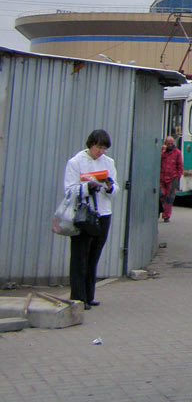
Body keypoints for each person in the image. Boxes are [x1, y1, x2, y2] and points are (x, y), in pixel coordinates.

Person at [63, 129, 119, 309]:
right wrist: (88, 187)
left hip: (102, 213)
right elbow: (69, 190)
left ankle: (89, 294)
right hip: (83, 214)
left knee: (94, 254)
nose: (101, 152)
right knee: (80, 255)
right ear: (91, 145)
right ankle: (78, 297)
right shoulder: (75, 162)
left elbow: (115, 188)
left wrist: (110, 187)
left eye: (104, 149)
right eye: (98, 148)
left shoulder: (108, 162)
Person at [159, 136, 183, 222]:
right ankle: (159, 211)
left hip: (172, 178)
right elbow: (158, 160)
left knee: (170, 197)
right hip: (161, 177)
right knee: (161, 195)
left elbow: (180, 165)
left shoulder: (177, 153)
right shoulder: (162, 151)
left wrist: (178, 176)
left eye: (171, 143)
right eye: (168, 143)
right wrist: (163, 151)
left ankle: (166, 216)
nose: (169, 145)